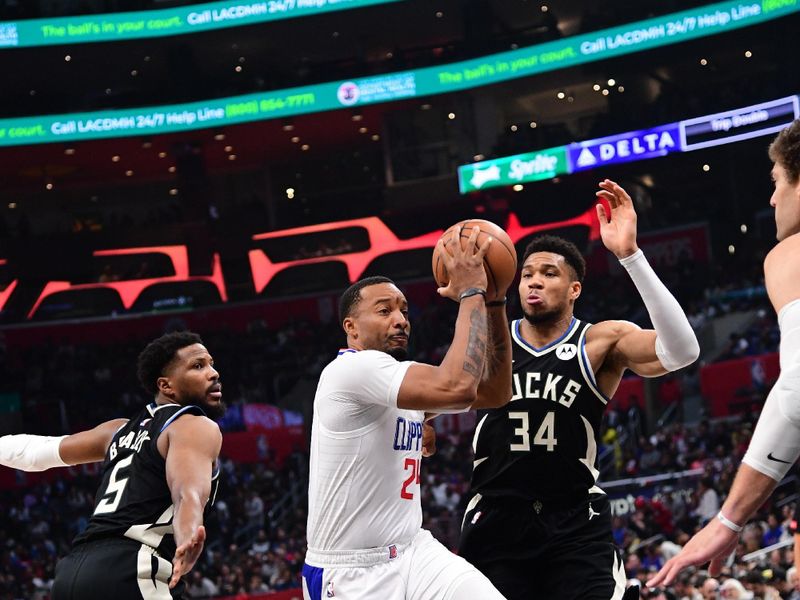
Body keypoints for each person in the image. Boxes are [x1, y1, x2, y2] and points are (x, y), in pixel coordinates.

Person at [457, 179, 700, 599]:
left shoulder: (600, 341)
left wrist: (630, 255)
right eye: (527, 273)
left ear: (574, 290)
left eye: (549, 274)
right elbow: (444, 392)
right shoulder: (489, 341)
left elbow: (682, 351)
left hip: (573, 520)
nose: (534, 281)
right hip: (496, 520)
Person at [302, 225, 512, 600]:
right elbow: (457, 386)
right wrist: (471, 292)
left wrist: (494, 303)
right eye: (384, 311)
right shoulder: (350, 371)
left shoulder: (398, 379)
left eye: (403, 310)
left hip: (414, 550)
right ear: (350, 328)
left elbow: (495, 392)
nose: (400, 319)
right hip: (351, 572)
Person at [648, 119, 800, 588]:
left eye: (777, 182)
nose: (772, 199)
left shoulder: (791, 255)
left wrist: (730, 519)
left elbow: (797, 392)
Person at [0, 331, 225, 599]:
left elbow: (34, 453)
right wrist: (188, 536)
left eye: (211, 363)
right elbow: (187, 493)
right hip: (132, 567)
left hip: (71, 573)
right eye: (198, 366)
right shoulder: (192, 425)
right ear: (166, 386)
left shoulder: (116, 431)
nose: (213, 373)